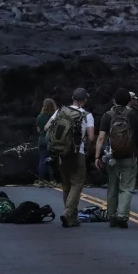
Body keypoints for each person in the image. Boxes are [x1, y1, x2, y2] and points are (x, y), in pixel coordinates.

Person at [44, 88, 96, 228]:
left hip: (61, 153)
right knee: (77, 184)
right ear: (84, 100)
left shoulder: (60, 111)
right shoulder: (87, 115)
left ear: (73, 98)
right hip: (77, 153)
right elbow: (91, 137)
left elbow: (46, 127)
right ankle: (67, 213)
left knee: (66, 185)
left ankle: (72, 218)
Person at [95, 88, 138, 228]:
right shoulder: (133, 115)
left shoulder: (107, 115)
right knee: (127, 187)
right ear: (129, 101)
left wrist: (97, 156)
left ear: (114, 100)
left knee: (112, 186)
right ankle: (122, 215)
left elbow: (101, 138)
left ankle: (111, 216)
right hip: (130, 155)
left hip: (112, 156)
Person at [35, 98, 58, 185]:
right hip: (51, 140)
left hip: (41, 140)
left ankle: (41, 180)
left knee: (42, 159)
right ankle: (52, 180)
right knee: (51, 160)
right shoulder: (54, 117)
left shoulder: (39, 117)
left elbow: (38, 130)